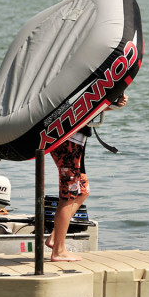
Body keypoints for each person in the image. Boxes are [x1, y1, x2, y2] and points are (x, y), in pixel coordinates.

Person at [46, 93, 128, 261]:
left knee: (83, 191)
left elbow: (87, 107)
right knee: (69, 195)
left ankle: (55, 238)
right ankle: (58, 251)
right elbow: (78, 105)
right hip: (67, 139)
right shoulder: (69, 85)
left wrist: (114, 104)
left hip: (74, 139)